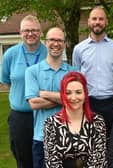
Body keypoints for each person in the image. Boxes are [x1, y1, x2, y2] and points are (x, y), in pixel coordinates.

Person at [25, 27, 78, 168]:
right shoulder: (32, 72)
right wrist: (64, 98)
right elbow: (34, 104)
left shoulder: (74, 72)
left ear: (65, 43)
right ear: (46, 42)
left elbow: (76, 102)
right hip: (42, 138)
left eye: (59, 40)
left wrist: (44, 93)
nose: (56, 43)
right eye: (52, 40)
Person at [1, 15, 47, 168]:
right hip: (20, 118)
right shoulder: (10, 54)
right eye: (26, 30)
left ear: (40, 32)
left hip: (45, 115)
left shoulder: (49, 53)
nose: (30, 33)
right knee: (23, 160)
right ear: (20, 33)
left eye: (34, 30)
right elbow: (6, 80)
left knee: (47, 159)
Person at [72, 6, 113, 137]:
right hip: (90, 102)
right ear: (89, 22)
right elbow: (76, 79)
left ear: (106, 22)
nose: (97, 22)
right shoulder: (78, 49)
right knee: (91, 143)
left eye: (101, 19)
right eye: (94, 19)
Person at [43, 71, 107, 168]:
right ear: (62, 95)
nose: (73, 97)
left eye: (78, 92)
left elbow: (99, 160)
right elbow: (52, 161)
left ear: (85, 94)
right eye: (68, 93)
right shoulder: (51, 123)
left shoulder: (97, 122)